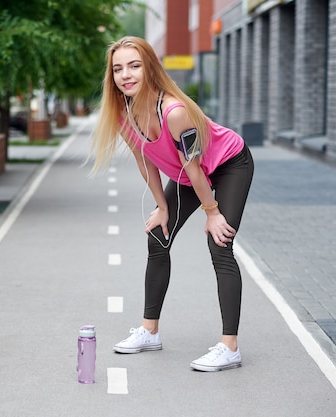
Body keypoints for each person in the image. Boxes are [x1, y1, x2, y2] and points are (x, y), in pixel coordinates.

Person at [89, 36, 254, 372]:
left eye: (134, 65)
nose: (126, 74)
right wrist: (161, 206)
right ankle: (150, 331)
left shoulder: (174, 111)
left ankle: (230, 346)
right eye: (118, 68)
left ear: (150, 67)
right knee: (158, 236)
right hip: (187, 176)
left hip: (228, 164)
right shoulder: (124, 113)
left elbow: (196, 168)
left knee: (219, 242)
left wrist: (213, 213)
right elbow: (145, 159)